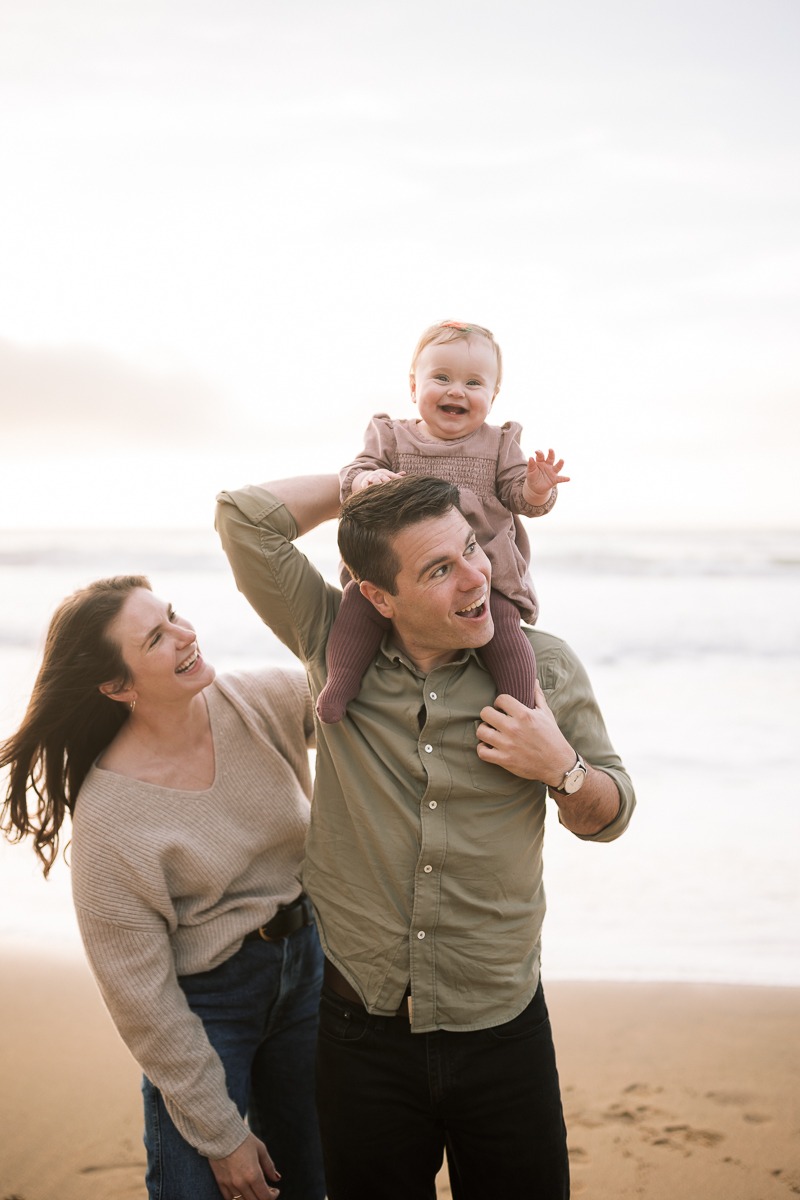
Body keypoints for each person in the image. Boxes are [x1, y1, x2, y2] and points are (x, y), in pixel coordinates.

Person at [216, 471, 636, 1199]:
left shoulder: (544, 667)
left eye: (471, 548)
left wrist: (560, 767)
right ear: (377, 596)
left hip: (503, 1027)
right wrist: (358, 484)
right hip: (358, 1034)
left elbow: (612, 814)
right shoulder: (329, 641)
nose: (476, 576)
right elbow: (242, 518)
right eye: (439, 569)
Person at [0, 575, 325, 1200]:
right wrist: (223, 1135)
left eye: (173, 615)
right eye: (156, 638)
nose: (185, 635)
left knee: (308, 1183)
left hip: (309, 969)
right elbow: (141, 999)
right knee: (197, 1186)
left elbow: (368, 694)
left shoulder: (257, 699)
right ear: (118, 686)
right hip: (205, 1007)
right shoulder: (110, 813)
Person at [315, 318, 569, 723]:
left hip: (483, 570)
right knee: (358, 607)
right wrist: (367, 479)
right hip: (403, 567)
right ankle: (340, 683)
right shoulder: (392, 436)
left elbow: (519, 497)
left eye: (473, 383)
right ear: (414, 386)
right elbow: (355, 471)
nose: (456, 390)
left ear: (493, 394)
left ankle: (520, 706)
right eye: (442, 377)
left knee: (503, 624)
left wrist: (537, 489)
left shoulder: (500, 445)